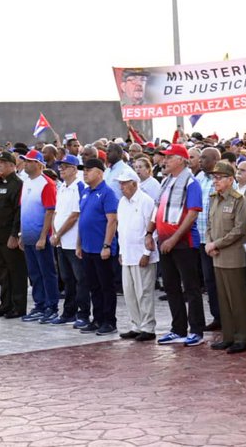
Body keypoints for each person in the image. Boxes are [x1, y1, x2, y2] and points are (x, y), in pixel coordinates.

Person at [145, 144, 205, 347]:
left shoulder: (191, 182)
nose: (165, 160)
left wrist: (173, 238)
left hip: (184, 243)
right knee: (171, 286)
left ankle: (196, 330)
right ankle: (178, 328)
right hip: (164, 240)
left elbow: (192, 213)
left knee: (191, 287)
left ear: (181, 159)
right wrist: (149, 232)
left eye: (169, 157)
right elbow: (157, 208)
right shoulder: (167, 181)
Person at [207, 161, 246, 354]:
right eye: (213, 178)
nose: (215, 181)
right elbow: (209, 224)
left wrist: (216, 244)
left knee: (237, 299)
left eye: (219, 178)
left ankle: (242, 337)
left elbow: (239, 229)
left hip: (233, 256)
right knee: (223, 298)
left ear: (230, 180)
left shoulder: (238, 200)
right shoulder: (214, 198)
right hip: (217, 255)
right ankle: (228, 336)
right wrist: (210, 243)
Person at [77, 158, 119, 335]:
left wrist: (107, 245)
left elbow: (112, 220)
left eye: (89, 169)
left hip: (101, 248)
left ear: (100, 173)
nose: (85, 172)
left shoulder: (107, 192)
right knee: (93, 286)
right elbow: (82, 219)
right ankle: (98, 319)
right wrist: (79, 244)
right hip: (87, 248)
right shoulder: (86, 192)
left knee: (106, 287)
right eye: (84, 170)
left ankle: (109, 321)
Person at [0, 151, 28, 319]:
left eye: (3, 162)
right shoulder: (0, 184)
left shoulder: (17, 184)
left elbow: (18, 212)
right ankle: (6, 304)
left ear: (12, 166)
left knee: (16, 271)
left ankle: (18, 306)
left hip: (8, 236)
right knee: (3, 272)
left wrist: (15, 235)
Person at [116, 168, 158, 342]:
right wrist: (120, 251)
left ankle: (148, 327)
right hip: (127, 254)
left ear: (134, 184)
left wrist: (147, 252)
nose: (121, 187)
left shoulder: (145, 201)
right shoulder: (122, 202)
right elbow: (121, 229)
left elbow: (152, 229)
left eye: (124, 184)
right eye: (120, 184)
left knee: (144, 292)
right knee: (129, 292)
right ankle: (136, 325)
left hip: (142, 254)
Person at [18, 150, 60, 323]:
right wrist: (21, 234)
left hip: (41, 236)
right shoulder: (27, 182)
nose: (26, 163)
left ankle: (51, 306)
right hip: (28, 236)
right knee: (34, 273)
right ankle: (40, 304)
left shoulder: (46, 184)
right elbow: (24, 210)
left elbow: (50, 211)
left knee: (47, 272)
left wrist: (43, 237)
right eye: (25, 161)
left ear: (38, 164)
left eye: (29, 161)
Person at [48, 154, 89, 326]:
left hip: (73, 241)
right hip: (61, 241)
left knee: (80, 279)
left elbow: (74, 215)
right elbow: (56, 212)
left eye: (65, 166)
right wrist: (55, 232)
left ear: (74, 168)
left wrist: (58, 234)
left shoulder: (80, 186)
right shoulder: (62, 187)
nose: (61, 169)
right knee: (67, 279)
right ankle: (68, 312)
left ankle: (83, 313)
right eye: (60, 166)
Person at [197, 147, 223, 331]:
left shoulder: (224, 178)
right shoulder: (198, 179)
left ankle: (229, 317)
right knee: (210, 281)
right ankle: (217, 316)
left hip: (219, 240)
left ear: (215, 159)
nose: (200, 161)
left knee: (223, 281)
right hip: (201, 238)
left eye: (204, 158)